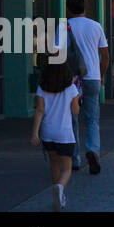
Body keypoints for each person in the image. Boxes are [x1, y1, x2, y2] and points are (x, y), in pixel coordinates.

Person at [64, 0, 109, 175]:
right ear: (85, 8)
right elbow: (105, 56)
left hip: (71, 80)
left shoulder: (64, 28)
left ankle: (75, 159)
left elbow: (57, 57)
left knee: (72, 119)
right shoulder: (95, 26)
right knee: (92, 119)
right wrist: (102, 74)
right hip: (92, 78)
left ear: (68, 9)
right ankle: (93, 150)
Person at [31, 55, 80, 211]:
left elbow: (39, 111)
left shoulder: (41, 88)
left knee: (54, 164)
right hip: (65, 134)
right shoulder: (71, 88)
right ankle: (60, 187)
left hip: (48, 133)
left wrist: (35, 133)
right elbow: (75, 111)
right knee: (67, 168)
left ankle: (58, 193)